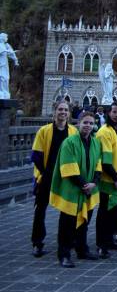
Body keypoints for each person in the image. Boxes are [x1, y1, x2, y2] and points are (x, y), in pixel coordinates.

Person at [49, 112, 102, 267]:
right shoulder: (69, 142)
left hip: (89, 190)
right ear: (78, 123)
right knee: (67, 224)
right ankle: (64, 254)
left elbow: (98, 164)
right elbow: (68, 167)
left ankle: (82, 249)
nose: (88, 126)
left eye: (91, 123)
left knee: (84, 221)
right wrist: (84, 185)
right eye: (85, 122)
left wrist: (94, 182)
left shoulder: (95, 143)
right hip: (72, 190)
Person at [30, 101, 77, 258]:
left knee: (68, 210)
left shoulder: (73, 132)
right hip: (47, 174)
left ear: (69, 113)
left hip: (65, 176)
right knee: (40, 210)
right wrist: (43, 174)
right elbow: (36, 156)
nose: (63, 112)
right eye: (60, 109)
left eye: (65, 110)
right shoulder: (44, 131)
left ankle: (67, 241)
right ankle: (37, 242)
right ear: (54, 112)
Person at [95, 102, 117, 258]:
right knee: (105, 214)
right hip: (108, 180)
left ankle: (109, 241)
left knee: (114, 212)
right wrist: (116, 177)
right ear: (108, 113)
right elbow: (106, 161)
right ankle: (101, 245)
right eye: (114, 112)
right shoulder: (105, 132)